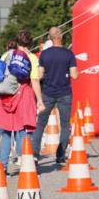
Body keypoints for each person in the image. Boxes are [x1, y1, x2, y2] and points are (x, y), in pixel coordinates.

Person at [0, 30, 43, 174]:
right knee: (22, 131)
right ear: (30, 43)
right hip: (24, 94)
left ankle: (2, 167)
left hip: (6, 96)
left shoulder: (6, 55)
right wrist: (39, 100)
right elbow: (34, 80)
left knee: (7, 133)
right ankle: (24, 164)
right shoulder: (32, 58)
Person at [31, 27, 77, 167]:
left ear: (50, 38)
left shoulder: (44, 54)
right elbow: (74, 75)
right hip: (64, 93)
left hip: (47, 92)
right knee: (64, 125)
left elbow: (39, 75)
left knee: (40, 124)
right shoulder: (69, 54)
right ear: (60, 36)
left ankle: (34, 155)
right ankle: (60, 156)